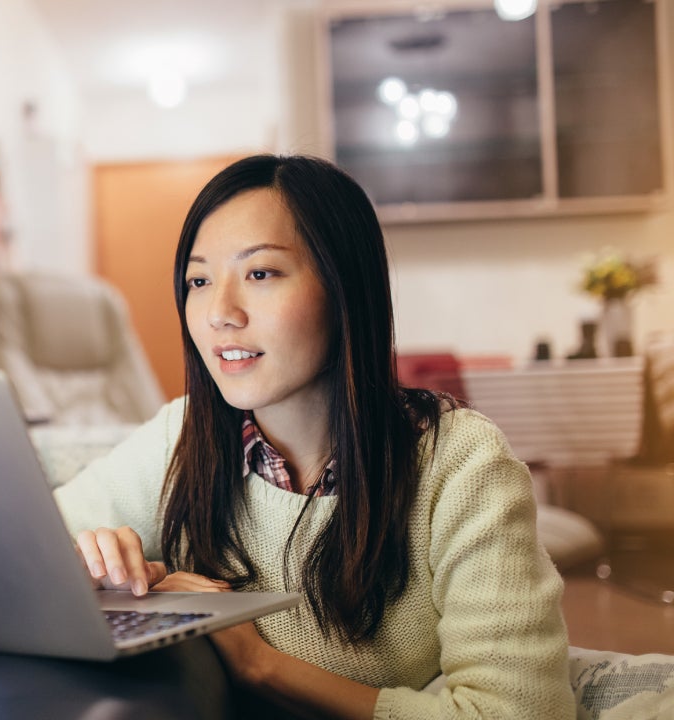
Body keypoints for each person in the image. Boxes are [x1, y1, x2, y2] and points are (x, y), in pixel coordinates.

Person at [54, 154, 572, 719]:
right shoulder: (182, 437)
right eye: (199, 281)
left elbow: (519, 712)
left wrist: (259, 663)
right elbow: (22, 556)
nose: (219, 313)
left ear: (343, 286)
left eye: (260, 273)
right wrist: (104, 573)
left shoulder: (461, 463)